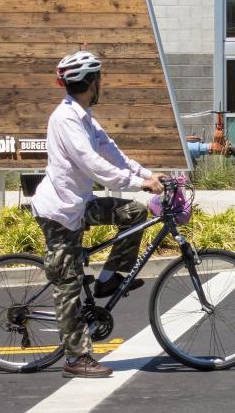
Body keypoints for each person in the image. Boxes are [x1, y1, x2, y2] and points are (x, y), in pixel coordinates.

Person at [30, 50, 165, 379]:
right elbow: (92, 164)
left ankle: (108, 281)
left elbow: (114, 155)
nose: (101, 83)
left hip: (80, 203)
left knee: (134, 212)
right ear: (90, 81)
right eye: (99, 78)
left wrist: (151, 176)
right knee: (69, 286)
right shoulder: (65, 119)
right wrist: (138, 183)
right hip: (60, 212)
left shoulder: (85, 117)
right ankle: (76, 359)